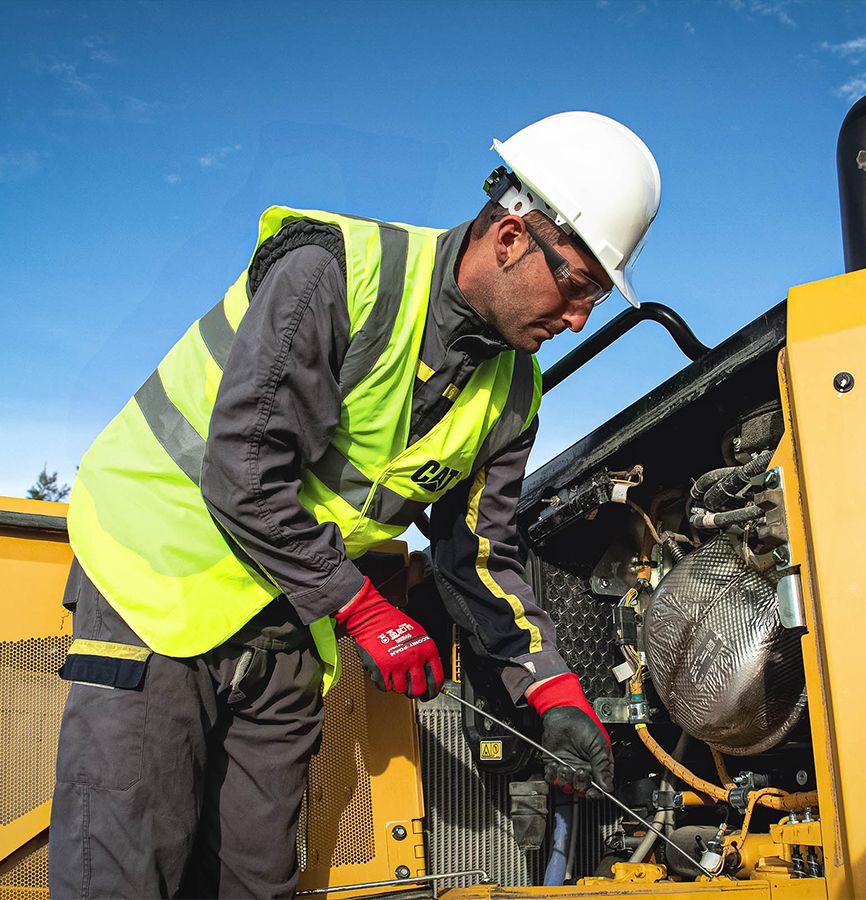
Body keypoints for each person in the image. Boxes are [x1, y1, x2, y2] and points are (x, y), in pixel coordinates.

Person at [49, 111, 661, 898]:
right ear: (513, 236)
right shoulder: (337, 274)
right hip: (154, 580)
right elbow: (245, 472)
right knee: (124, 877)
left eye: (597, 301)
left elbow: (480, 555)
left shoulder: (514, 389)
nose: (578, 317)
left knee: (256, 883)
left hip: (287, 619)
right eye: (577, 285)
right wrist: (368, 613)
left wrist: (553, 691)